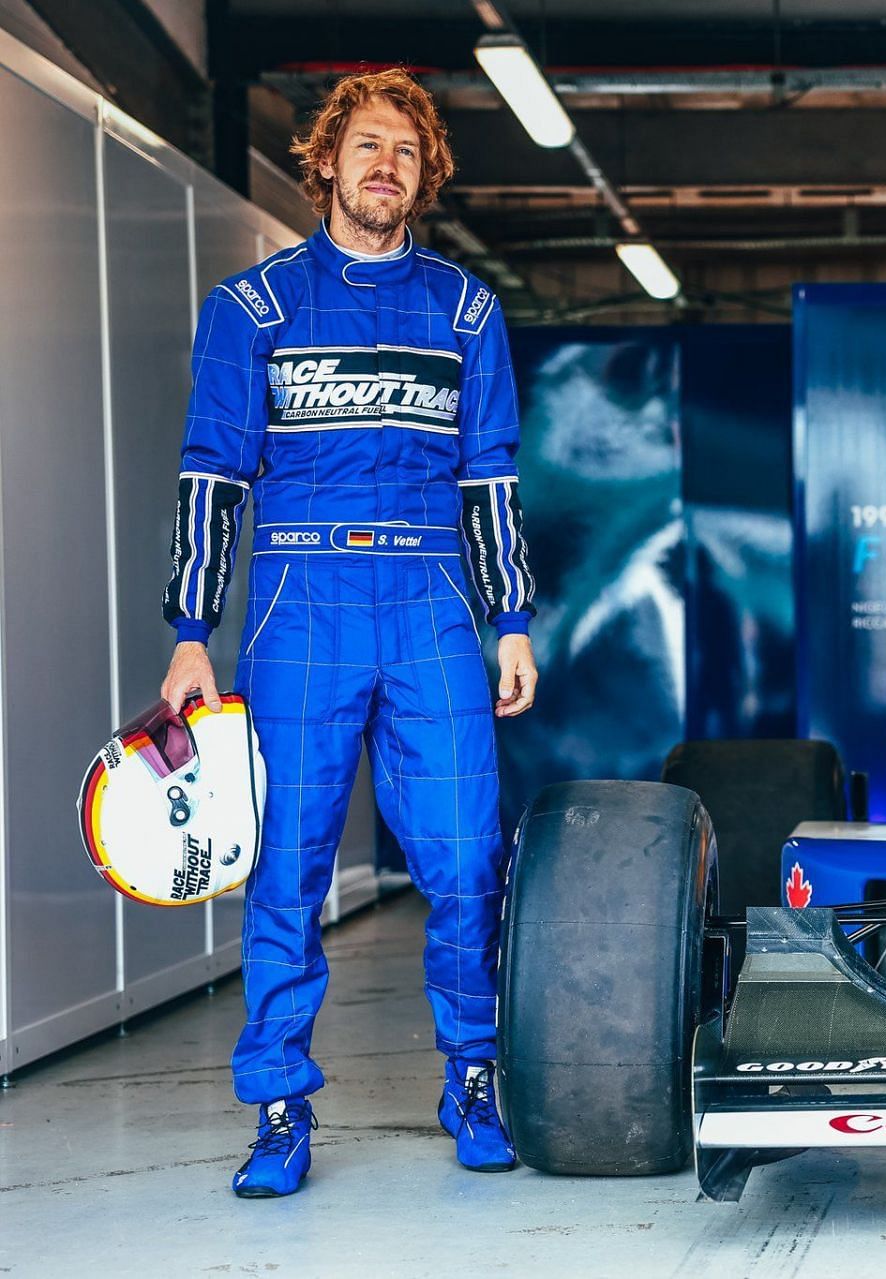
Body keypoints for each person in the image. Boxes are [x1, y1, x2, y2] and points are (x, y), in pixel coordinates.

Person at [158, 69, 538, 1198]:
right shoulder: (251, 310)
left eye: (408, 154)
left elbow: (492, 476)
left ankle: (474, 1077)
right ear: (323, 161)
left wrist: (511, 617)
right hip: (297, 607)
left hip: (431, 605)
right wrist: (190, 632)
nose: (387, 166)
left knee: (469, 861)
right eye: (367, 146)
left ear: (425, 177)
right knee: (288, 867)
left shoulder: (466, 311)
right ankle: (278, 1105)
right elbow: (211, 477)